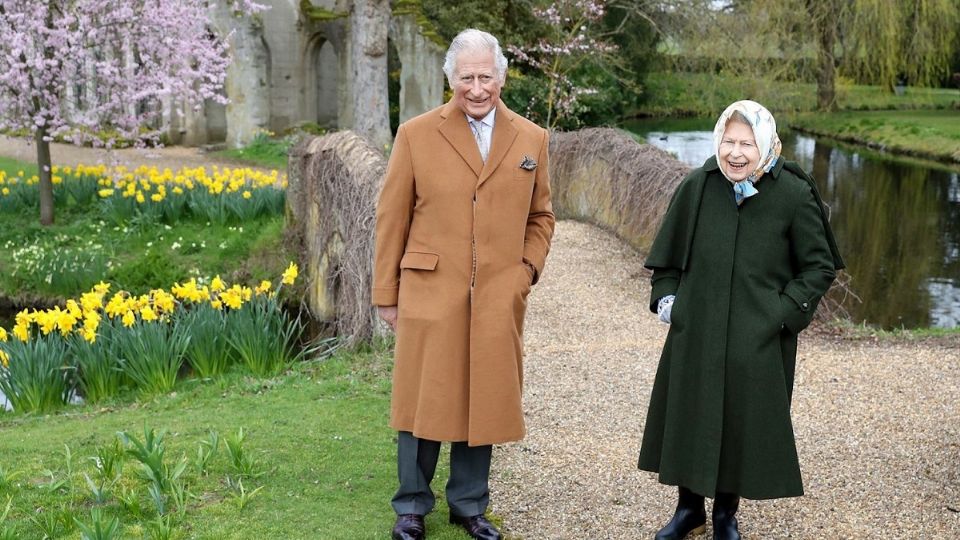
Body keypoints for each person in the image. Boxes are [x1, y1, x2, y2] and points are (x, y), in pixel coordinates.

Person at [372, 28, 555, 540]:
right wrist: (387, 294)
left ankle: (469, 506)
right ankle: (411, 505)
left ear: (502, 76)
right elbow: (392, 218)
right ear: (451, 79)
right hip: (429, 290)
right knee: (422, 400)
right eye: (467, 77)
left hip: (498, 294)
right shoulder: (415, 134)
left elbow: (542, 217)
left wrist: (525, 273)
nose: (477, 88)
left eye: (487, 76)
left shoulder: (531, 138)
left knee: (484, 396)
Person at [638, 100, 844, 540]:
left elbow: (818, 267)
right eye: (728, 141)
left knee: (740, 422)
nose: (735, 153)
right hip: (697, 333)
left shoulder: (793, 192)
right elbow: (667, 262)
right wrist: (670, 304)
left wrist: (781, 315)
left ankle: (726, 515)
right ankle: (689, 509)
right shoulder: (697, 186)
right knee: (690, 415)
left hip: (758, 339)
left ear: (765, 144)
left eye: (746, 143)